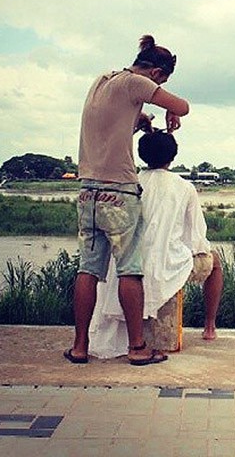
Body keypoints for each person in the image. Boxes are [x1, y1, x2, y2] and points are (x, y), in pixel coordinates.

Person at [64, 34, 189, 366]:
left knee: (88, 270)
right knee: (130, 270)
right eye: (161, 82)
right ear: (156, 73)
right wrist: (169, 111)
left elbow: (115, 124)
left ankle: (80, 347)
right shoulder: (137, 83)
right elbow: (183, 107)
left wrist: (140, 119)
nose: (157, 86)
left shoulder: (102, 82)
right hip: (118, 192)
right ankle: (137, 347)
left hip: (88, 191)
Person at [88, 129, 223, 358]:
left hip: (127, 264)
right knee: (216, 263)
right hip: (167, 263)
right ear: (173, 156)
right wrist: (190, 250)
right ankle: (209, 327)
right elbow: (197, 236)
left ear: (142, 154)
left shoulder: (130, 183)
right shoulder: (184, 187)